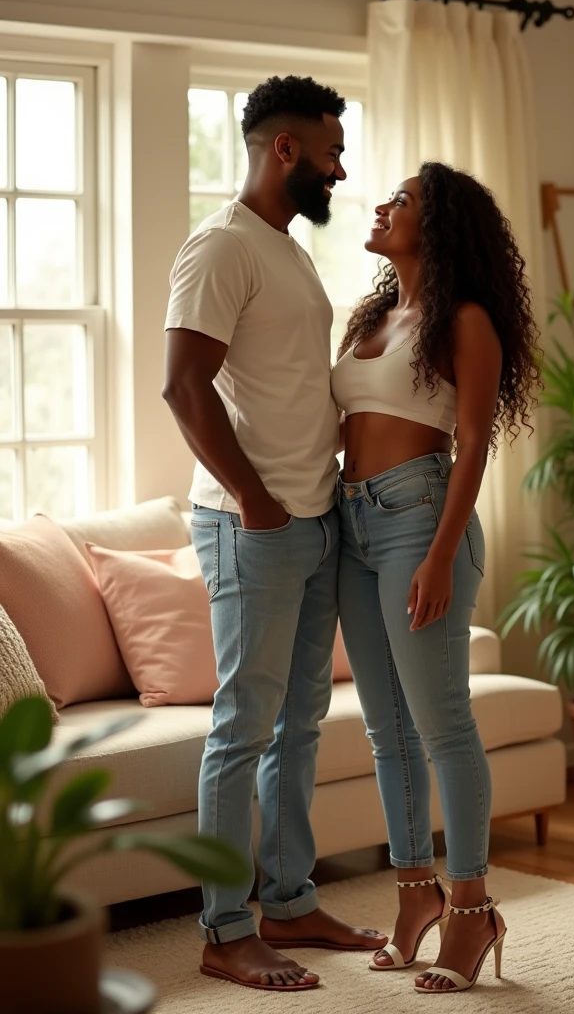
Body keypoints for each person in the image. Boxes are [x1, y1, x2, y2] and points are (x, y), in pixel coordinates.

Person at [162, 75, 386, 993]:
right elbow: (184, 386)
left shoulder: (284, 249)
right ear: (284, 149)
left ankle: (291, 899)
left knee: (300, 724)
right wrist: (254, 499)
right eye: (331, 152)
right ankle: (225, 930)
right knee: (242, 731)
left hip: (315, 515)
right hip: (252, 525)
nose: (341, 168)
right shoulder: (220, 246)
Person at [331, 161, 541, 994]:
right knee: (387, 731)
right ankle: (414, 894)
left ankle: (471, 908)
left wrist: (441, 555)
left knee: (443, 724)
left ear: (440, 224)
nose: (383, 207)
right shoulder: (374, 316)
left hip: (421, 519)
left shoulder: (466, 321)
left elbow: (477, 443)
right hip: (351, 525)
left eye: (403, 200)